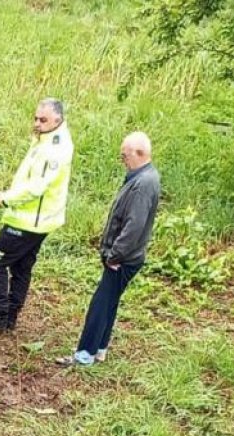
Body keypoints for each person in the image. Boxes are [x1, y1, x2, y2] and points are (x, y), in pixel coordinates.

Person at [57, 131, 160, 366]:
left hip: (123, 258)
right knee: (109, 301)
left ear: (140, 153)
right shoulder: (144, 178)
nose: (123, 160)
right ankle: (100, 349)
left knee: (100, 304)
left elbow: (134, 227)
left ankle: (84, 354)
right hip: (126, 256)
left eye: (125, 156)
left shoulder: (143, 184)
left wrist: (115, 255)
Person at [0, 98, 75, 332]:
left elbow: (37, 187)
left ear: (57, 120)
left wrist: (6, 199)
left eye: (43, 120)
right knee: (22, 267)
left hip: (28, 221)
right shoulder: (50, 138)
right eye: (36, 118)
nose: (37, 123)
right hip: (40, 220)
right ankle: (10, 315)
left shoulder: (54, 149)